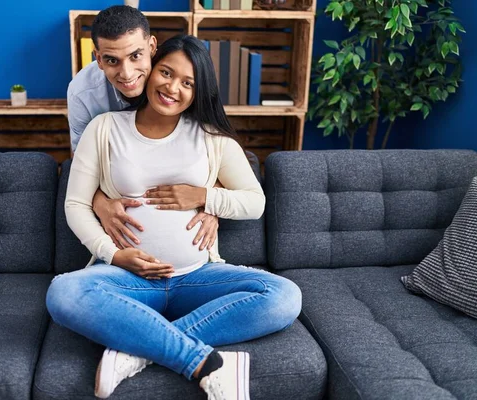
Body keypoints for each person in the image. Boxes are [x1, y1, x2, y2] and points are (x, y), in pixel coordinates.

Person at [48, 35, 302, 400]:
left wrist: (205, 197)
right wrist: (113, 254)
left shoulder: (212, 138)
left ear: (199, 93)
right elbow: (76, 204)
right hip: (127, 280)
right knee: (64, 292)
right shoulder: (104, 128)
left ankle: (136, 348)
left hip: (197, 278)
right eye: (166, 72)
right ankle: (202, 361)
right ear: (152, 69)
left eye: (188, 83)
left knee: (284, 296)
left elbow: (254, 202)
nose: (172, 87)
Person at [68, 5, 220, 259]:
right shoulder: (83, 94)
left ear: (152, 47)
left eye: (135, 55)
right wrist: (100, 204)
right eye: (112, 60)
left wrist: (211, 202)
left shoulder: (177, 79)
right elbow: (80, 164)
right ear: (98, 58)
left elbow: (218, 152)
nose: (127, 74)